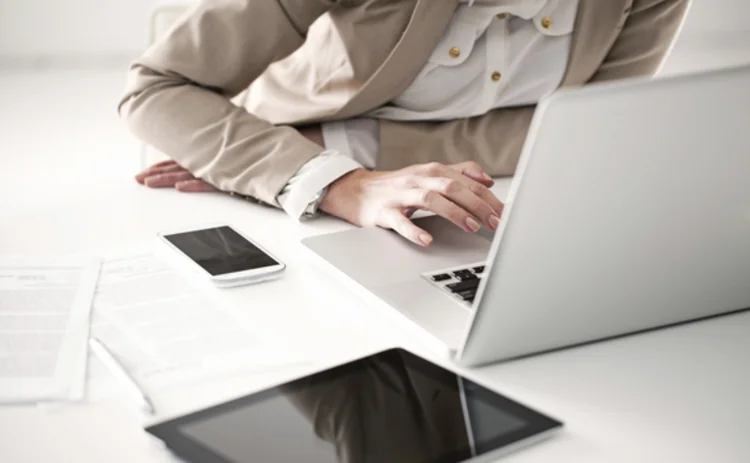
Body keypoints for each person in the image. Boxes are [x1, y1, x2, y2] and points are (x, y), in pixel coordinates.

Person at [120, 0, 689, 247]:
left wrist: (353, 146)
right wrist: (331, 179)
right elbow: (157, 88)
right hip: (287, 155)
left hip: (507, 195)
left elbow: (591, 129)